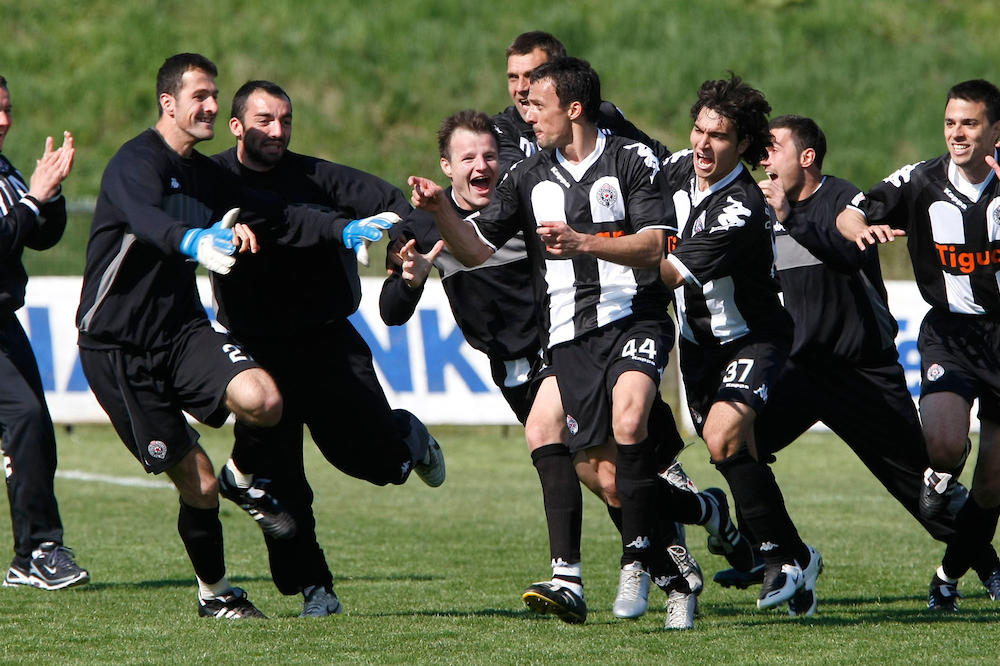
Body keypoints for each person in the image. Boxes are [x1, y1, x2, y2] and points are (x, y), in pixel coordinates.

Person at [410, 57, 702, 629]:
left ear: (573, 109)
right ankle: (689, 538)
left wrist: (583, 242)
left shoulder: (631, 158)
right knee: (598, 472)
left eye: (537, 105)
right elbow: (475, 250)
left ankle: (629, 557)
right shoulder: (526, 175)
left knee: (629, 420)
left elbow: (656, 246)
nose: (527, 115)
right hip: (568, 334)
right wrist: (440, 208)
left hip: (633, 318)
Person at [711, 114, 992, 613]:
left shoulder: (843, 200)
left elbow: (845, 252)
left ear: (807, 157)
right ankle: (780, 555)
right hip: (797, 372)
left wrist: (790, 219)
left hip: (861, 374)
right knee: (735, 443)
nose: (763, 160)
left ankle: (987, 568)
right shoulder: (760, 208)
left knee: (920, 494)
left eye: (773, 149)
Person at [210, 80, 445, 618]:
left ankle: (407, 439)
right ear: (236, 126)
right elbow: (170, 217)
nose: (278, 130)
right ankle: (315, 589)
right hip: (256, 356)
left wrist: (400, 252)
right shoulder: (212, 178)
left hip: (327, 343)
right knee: (278, 484)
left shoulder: (320, 176)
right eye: (265, 120)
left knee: (373, 462)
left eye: (286, 120)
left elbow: (398, 206)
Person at [76, 53, 286, 619]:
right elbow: (147, 220)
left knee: (263, 399)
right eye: (200, 96)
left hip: (182, 331)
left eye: (215, 95)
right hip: (118, 348)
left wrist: (347, 226)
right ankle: (215, 594)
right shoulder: (134, 162)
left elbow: (277, 211)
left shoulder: (205, 174)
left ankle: (243, 478)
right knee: (198, 485)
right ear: (168, 103)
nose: (213, 105)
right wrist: (193, 240)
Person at [659, 75, 822, 615]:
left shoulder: (740, 206)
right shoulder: (677, 170)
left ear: (743, 144)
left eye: (719, 135)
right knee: (735, 452)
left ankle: (777, 560)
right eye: (699, 130)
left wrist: (592, 248)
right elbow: (627, 142)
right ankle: (797, 558)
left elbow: (668, 273)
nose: (703, 144)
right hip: (697, 346)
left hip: (753, 337)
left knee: (723, 435)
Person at [837, 79, 1000, 611]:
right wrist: (860, 229)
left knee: (993, 486)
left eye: (970, 123)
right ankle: (941, 474)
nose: (957, 133)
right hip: (950, 334)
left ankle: (948, 577)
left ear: (995, 131)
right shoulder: (920, 180)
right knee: (944, 444)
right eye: (951, 122)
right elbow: (851, 211)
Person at [0, 75, 89, 591]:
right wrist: (32, 200)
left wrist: (48, 196)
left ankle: (31, 554)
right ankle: (37, 551)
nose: (4, 120)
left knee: (33, 426)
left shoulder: (3, 169)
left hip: (3, 321)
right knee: (26, 419)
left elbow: (37, 236)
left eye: (8, 109)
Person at [493, 31, 670, 174]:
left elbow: (662, 162)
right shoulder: (498, 132)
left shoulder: (604, 115)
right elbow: (516, 187)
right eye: (513, 77)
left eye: (532, 76)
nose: (521, 87)